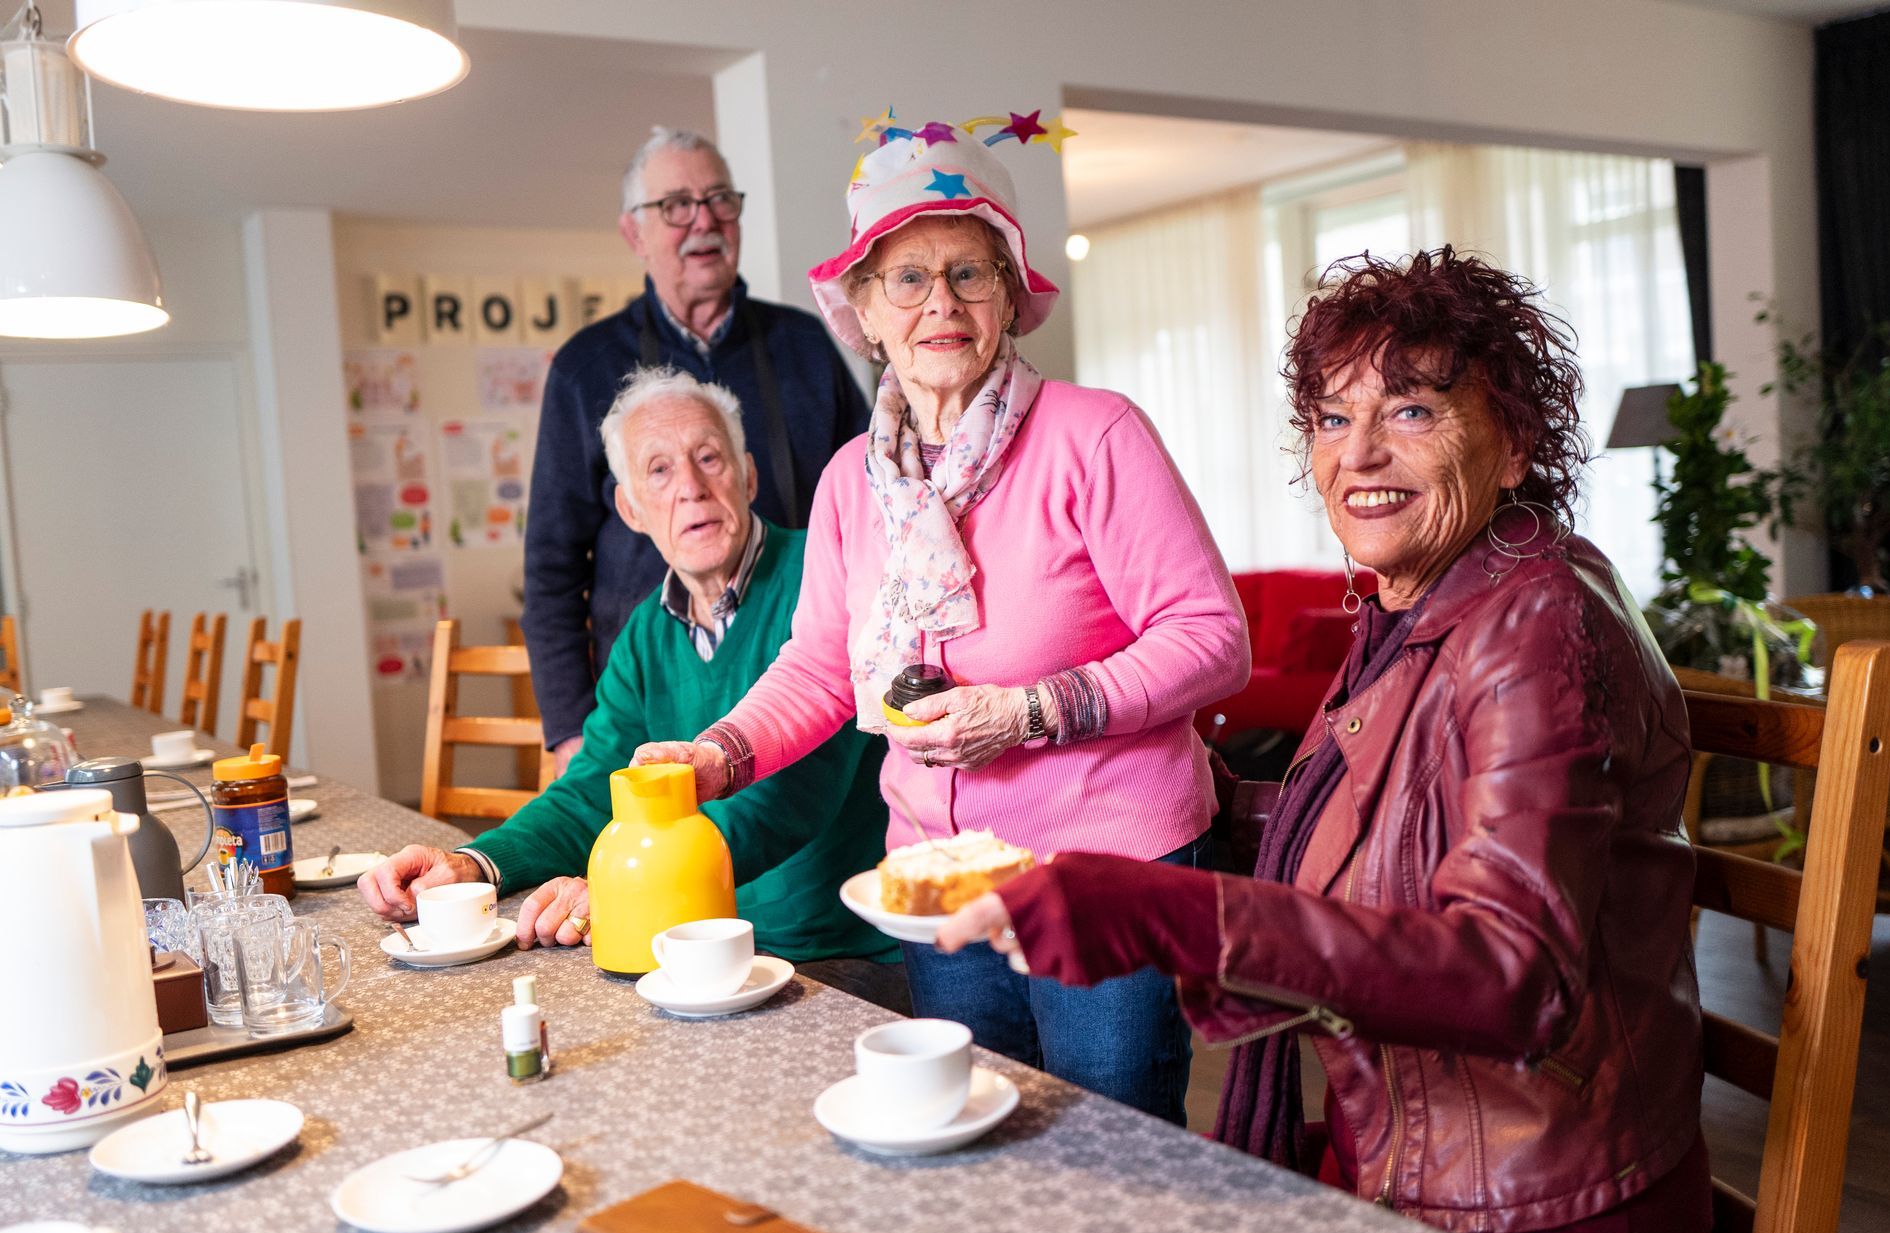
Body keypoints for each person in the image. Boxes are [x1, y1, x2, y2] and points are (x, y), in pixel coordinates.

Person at [939, 248, 1709, 1233]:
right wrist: (1211, 800)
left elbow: (1507, 971)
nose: (1360, 455)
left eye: (1414, 411)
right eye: (1334, 418)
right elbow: (1395, 821)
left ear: (1515, 441)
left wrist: (1164, 911)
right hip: (1406, 1157)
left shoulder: (1537, 631)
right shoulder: (1431, 600)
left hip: (1528, 1209)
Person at [628, 115, 1250, 1126]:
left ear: (1009, 297)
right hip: (933, 880)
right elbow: (822, 665)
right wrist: (718, 753)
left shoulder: (1096, 435)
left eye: (970, 272)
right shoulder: (848, 483)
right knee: (975, 1130)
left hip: (1106, 872)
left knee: (1119, 1150)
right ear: (864, 312)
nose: (941, 302)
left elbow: (1212, 637)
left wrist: (1033, 709)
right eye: (907, 278)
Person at [362, 367, 903, 1010]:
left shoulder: (822, 575)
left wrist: (627, 886)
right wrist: (474, 865)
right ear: (630, 509)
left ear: (749, 475)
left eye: (709, 458)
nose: (692, 490)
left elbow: (792, 794)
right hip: (691, 944)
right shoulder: (646, 632)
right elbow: (593, 789)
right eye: (660, 471)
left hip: (833, 953)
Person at [524, 126, 871, 773]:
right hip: (651, 703)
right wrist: (574, 735)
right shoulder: (583, 369)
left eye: (719, 200)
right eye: (676, 205)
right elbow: (551, 570)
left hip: (807, 692)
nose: (704, 221)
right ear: (635, 233)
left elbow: (873, 507)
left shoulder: (806, 344)